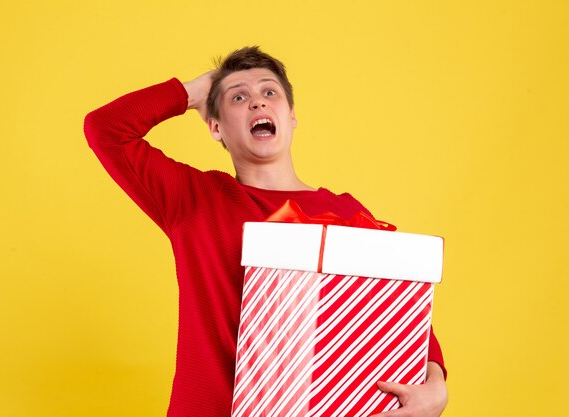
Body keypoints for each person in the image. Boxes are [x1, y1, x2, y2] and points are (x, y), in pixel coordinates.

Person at [84, 46, 448, 417]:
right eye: (239, 97)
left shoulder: (347, 212)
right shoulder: (195, 201)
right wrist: (197, 91)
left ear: (291, 117)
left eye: (269, 92)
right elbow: (105, 130)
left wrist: (436, 383)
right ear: (215, 126)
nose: (258, 103)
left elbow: (402, 310)